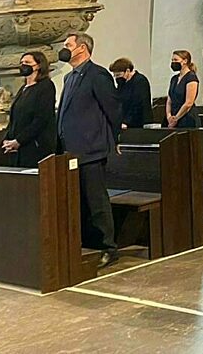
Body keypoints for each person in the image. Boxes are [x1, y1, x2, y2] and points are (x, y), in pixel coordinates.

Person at [56, 33, 122, 268]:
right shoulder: (70, 77)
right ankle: (87, 242)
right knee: (80, 201)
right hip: (71, 150)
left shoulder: (97, 74)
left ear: (82, 48)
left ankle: (108, 247)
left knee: (96, 201)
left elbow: (112, 108)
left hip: (92, 148)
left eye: (68, 45)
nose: (64, 49)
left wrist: (115, 138)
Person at [1, 51, 56, 168]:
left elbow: (41, 119)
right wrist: (8, 139)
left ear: (38, 66)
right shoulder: (23, 88)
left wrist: (19, 141)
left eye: (27, 62)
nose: (23, 65)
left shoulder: (46, 86)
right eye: (21, 63)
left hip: (35, 147)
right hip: (18, 148)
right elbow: (15, 117)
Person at [109, 57, 150, 129]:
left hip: (139, 124)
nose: (116, 78)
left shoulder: (140, 81)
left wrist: (127, 122)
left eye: (118, 75)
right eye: (115, 75)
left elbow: (138, 104)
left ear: (127, 71)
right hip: (125, 122)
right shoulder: (123, 83)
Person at [166, 50, 199, 128]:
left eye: (176, 60)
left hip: (187, 118)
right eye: (172, 60)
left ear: (185, 61)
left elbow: (188, 103)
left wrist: (176, 118)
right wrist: (169, 116)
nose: (173, 62)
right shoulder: (174, 79)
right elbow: (169, 101)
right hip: (173, 116)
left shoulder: (191, 77)